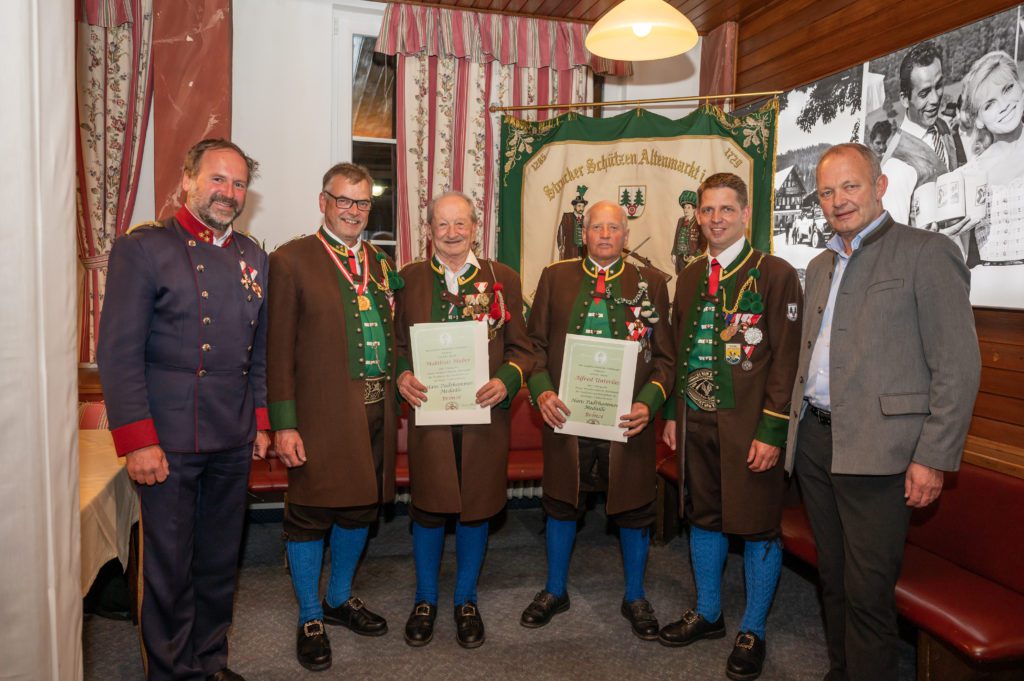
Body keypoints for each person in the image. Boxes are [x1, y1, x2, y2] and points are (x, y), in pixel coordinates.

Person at [786, 143, 980, 681]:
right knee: (832, 578)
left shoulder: (927, 252)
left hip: (882, 452)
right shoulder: (820, 264)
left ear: (880, 186)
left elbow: (958, 366)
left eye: (850, 186)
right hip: (816, 442)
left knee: (868, 592)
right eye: (827, 192)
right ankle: (841, 670)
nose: (838, 200)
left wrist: (932, 457)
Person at [97, 138, 270, 681]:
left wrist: (260, 423)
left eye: (238, 184)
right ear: (188, 180)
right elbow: (118, 353)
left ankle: (209, 661)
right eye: (218, 179)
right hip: (167, 440)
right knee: (169, 569)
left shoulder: (253, 256)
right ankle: (170, 672)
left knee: (219, 562)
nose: (229, 192)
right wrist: (138, 440)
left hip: (232, 436)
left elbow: (257, 353)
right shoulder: (145, 248)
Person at [658, 173, 803, 681]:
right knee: (703, 517)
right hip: (695, 422)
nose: (715, 219)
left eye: (726, 209)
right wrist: (673, 415)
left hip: (749, 429)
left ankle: (753, 629)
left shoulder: (774, 273)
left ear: (745, 214)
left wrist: (772, 430)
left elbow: (786, 361)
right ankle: (709, 613)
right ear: (697, 217)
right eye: (707, 210)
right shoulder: (690, 275)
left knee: (759, 523)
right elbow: (677, 351)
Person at [267, 163, 401, 671]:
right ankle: (309, 615)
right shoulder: (290, 260)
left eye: (362, 202)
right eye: (343, 200)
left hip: (376, 410)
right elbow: (276, 351)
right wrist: (284, 424)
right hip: (319, 413)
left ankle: (339, 598)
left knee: (359, 508)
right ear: (323, 202)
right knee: (309, 513)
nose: (352, 210)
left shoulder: (380, 263)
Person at [519, 200, 674, 641]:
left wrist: (648, 403)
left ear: (626, 235)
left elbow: (665, 359)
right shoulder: (556, 278)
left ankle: (635, 595)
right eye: (596, 227)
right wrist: (542, 390)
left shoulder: (651, 283)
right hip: (566, 416)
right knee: (560, 501)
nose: (605, 235)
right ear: (583, 234)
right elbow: (533, 347)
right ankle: (555, 590)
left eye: (613, 227)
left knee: (635, 505)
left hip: (626, 421)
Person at [394, 191, 533, 649]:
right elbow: (396, 345)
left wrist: (507, 381)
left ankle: (466, 599)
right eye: (442, 224)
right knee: (428, 507)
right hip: (429, 415)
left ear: (475, 227)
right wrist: (402, 375)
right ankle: (424, 599)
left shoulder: (502, 278)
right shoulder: (409, 279)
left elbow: (523, 349)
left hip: (483, 416)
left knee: (477, 505)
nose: (451, 233)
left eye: (460, 224)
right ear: (429, 230)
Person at [881, 41, 967, 226]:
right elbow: (895, 238)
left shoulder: (942, 126)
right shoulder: (895, 165)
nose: (935, 99)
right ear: (905, 99)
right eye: (924, 93)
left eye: (939, 86)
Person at [956, 50, 1024, 264]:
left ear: (1020, 85)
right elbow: (959, 255)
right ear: (978, 120)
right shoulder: (969, 176)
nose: (1004, 106)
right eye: (989, 104)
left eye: (1008, 88)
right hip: (993, 283)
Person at [672, 189, 705, 273]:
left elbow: (704, 242)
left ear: (694, 209)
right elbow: (676, 238)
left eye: (689, 207)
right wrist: (674, 253)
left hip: (692, 258)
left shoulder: (699, 221)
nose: (686, 210)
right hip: (680, 257)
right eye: (684, 207)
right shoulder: (680, 221)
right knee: (681, 276)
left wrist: (696, 256)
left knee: (690, 277)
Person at [556, 185, 588, 260]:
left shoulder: (585, 219)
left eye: (583, 206)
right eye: (579, 206)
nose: (581, 208)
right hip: (570, 251)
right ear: (574, 206)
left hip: (583, 252)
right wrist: (561, 246)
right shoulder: (567, 217)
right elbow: (561, 233)